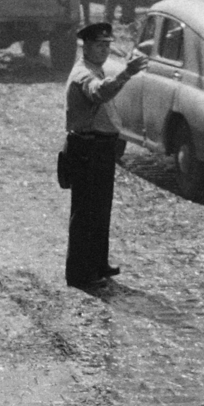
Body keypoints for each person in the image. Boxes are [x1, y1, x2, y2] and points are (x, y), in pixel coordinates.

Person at [64, 20, 147, 288]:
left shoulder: (96, 69)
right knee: (86, 213)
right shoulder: (83, 74)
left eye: (106, 46)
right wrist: (126, 74)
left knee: (100, 210)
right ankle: (79, 274)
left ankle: (98, 264)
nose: (103, 50)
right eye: (98, 45)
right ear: (85, 46)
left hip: (100, 149)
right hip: (87, 149)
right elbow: (99, 93)